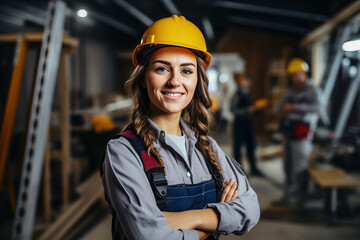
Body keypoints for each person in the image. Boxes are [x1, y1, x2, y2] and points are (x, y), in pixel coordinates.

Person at [101, 15, 260, 240]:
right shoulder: (123, 151)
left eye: (186, 71)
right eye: (162, 69)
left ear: (197, 81)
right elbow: (152, 237)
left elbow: (251, 209)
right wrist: (215, 221)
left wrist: (188, 218)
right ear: (144, 78)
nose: (175, 81)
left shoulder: (208, 147)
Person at [274, 58, 320, 208]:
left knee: (300, 169)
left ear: (304, 73)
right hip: (289, 133)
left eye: (296, 74)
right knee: (287, 168)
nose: (293, 78)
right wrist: (282, 107)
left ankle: (301, 200)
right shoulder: (291, 90)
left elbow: (317, 108)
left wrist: (293, 107)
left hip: (302, 136)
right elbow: (278, 106)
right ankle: (288, 196)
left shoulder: (313, 90)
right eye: (292, 75)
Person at [230, 73, 263, 177]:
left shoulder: (246, 92)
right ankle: (238, 170)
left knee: (251, 146)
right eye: (245, 80)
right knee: (238, 147)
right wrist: (247, 110)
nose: (247, 83)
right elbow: (233, 109)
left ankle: (253, 168)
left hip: (248, 122)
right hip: (240, 123)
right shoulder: (238, 93)